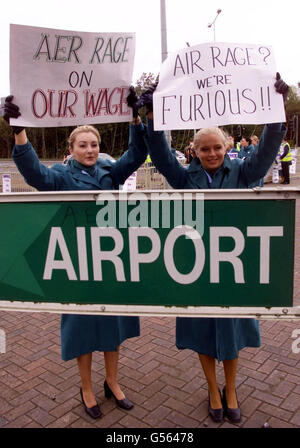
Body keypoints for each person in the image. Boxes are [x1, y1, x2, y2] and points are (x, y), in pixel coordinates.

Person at [129, 73, 289, 423]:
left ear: (226, 148)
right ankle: (212, 388)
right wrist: (154, 117)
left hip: (233, 267)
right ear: (195, 152)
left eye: (217, 147)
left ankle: (231, 388)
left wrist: (276, 113)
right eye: (205, 149)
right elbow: (159, 152)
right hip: (197, 268)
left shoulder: (244, 173)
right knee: (202, 332)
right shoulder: (185, 177)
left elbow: (265, 152)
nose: (212, 153)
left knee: (230, 332)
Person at [2, 93, 148, 419]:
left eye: (94, 144)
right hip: (77, 263)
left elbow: (138, 153)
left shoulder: (110, 172)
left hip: (111, 261)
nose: (90, 150)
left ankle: (112, 382)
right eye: (83, 145)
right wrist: (20, 131)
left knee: (114, 323)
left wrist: (136, 118)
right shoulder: (62, 176)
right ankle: (86, 387)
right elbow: (34, 174)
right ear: (71, 149)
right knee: (82, 327)